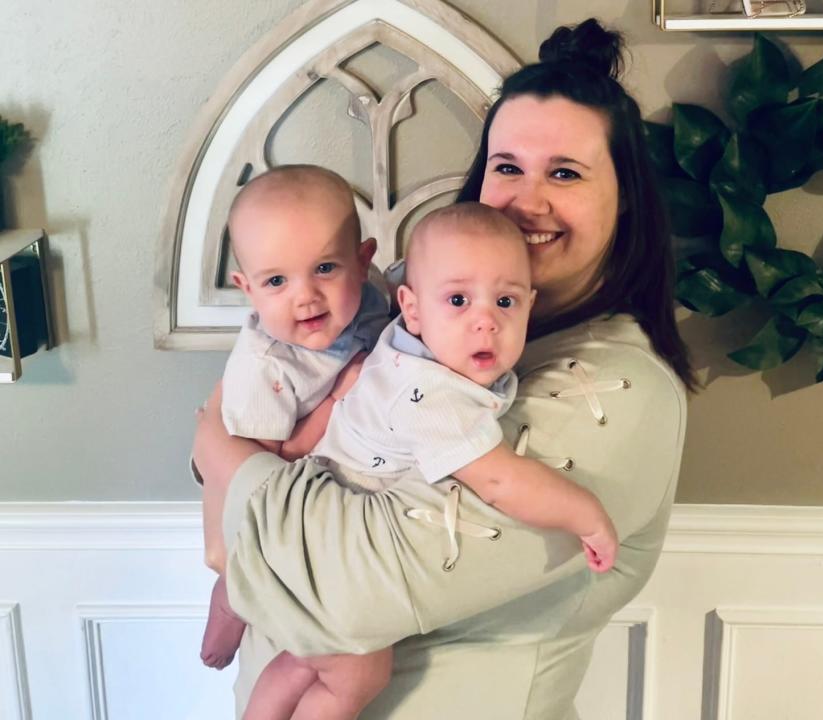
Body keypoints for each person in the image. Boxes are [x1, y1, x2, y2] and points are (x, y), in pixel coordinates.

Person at [193, 17, 695, 719]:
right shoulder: (418, 298)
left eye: (566, 173)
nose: (529, 201)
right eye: (508, 167)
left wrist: (224, 457)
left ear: (628, 198)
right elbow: (271, 375)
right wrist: (232, 467)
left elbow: (350, 587)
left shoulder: (618, 394)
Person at [243, 202, 619, 720]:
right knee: (358, 672)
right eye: (459, 300)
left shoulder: (412, 344)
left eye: (506, 301)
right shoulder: (432, 394)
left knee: (303, 662)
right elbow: (499, 480)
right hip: (325, 540)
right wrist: (586, 515)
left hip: (307, 508)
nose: (485, 321)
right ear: (413, 309)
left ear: (530, 306)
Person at [199, 165, 387, 676]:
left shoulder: (376, 304)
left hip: (341, 487)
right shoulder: (266, 367)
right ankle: (225, 612)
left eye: (325, 268)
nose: (305, 296)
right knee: (243, 571)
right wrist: (336, 402)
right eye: (277, 280)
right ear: (247, 288)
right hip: (262, 500)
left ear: (364, 261)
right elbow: (260, 465)